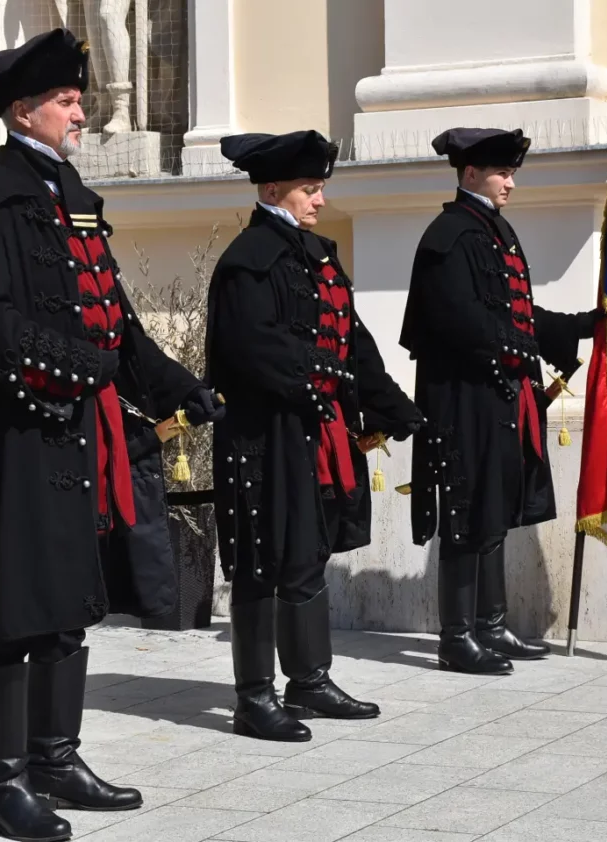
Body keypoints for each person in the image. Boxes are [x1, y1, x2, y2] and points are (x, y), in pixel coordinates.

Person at [0, 28, 223, 842]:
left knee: (67, 604)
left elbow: (115, 326)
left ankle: (56, 760)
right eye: (65, 100)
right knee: (12, 612)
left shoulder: (76, 202)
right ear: (22, 110)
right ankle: (1, 788)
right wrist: (77, 366)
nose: (80, 113)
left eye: (77, 99)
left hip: (76, 440)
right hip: (16, 442)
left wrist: (179, 385)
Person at [206, 130, 424, 742]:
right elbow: (254, 352)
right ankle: (254, 697)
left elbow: (353, 342)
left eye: (321, 187)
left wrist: (394, 407)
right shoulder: (249, 261)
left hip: (315, 430)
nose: (320, 200)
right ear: (273, 189)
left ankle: (308, 680)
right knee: (260, 560)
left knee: (307, 552)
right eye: (310, 188)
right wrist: (316, 383)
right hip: (265, 435)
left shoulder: (318, 257)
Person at [400, 128, 601, 676]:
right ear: (470, 174)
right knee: (464, 514)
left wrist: (582, 325)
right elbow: (461, 324)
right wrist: (524, 343)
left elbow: (517, 313)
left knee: (494, 510)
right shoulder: (448, 236)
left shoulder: (494, 231)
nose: (511, 183)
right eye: (502, 173)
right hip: (463, 401)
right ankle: (456, 638)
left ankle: (491, 627)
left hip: (499, 397)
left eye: (512, 173)